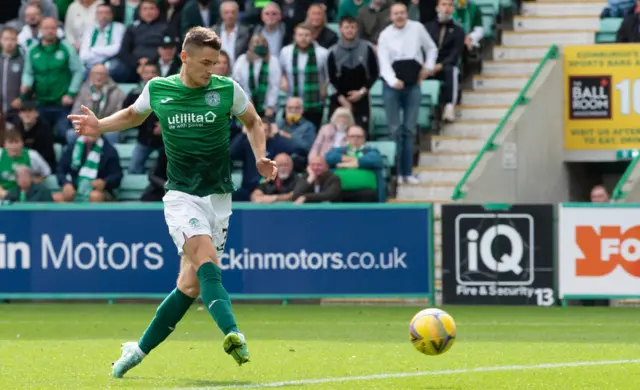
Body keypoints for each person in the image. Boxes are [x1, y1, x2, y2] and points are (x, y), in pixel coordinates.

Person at [69, 26, 277, 377]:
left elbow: (254, 122)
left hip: (219, 197)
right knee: (206, 259)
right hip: (181, 195)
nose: (211, 69)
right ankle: (232, 333)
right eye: (205, 62)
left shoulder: (227, 89)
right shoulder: (159, 89)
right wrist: (99, 125)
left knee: (191, 285)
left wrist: (260, 156)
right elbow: (134, 114)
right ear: (184, 57)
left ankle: (136, 350)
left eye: (216, 62)